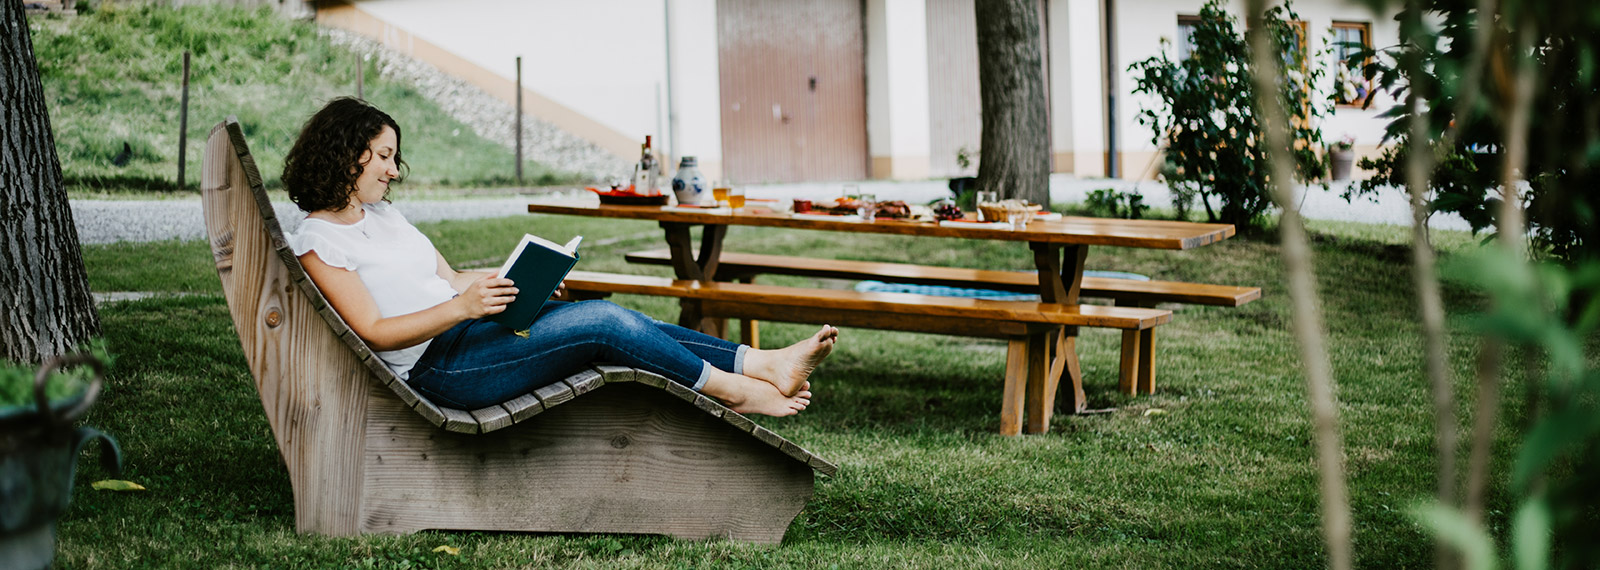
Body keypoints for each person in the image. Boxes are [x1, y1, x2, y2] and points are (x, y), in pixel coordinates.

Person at [281, 97, 836, 416]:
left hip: (469, 335)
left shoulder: (382, 216)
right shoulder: (320, 240)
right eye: (383, 156)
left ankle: (759, 363)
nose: (393, 170)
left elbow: (448, 278)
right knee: (601, 322)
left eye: (393, 157)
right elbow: (373, 331)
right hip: (440, 370)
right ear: (345, 155)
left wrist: (511, 280)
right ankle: (736, 391)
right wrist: (463, 308)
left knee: (619, 319)